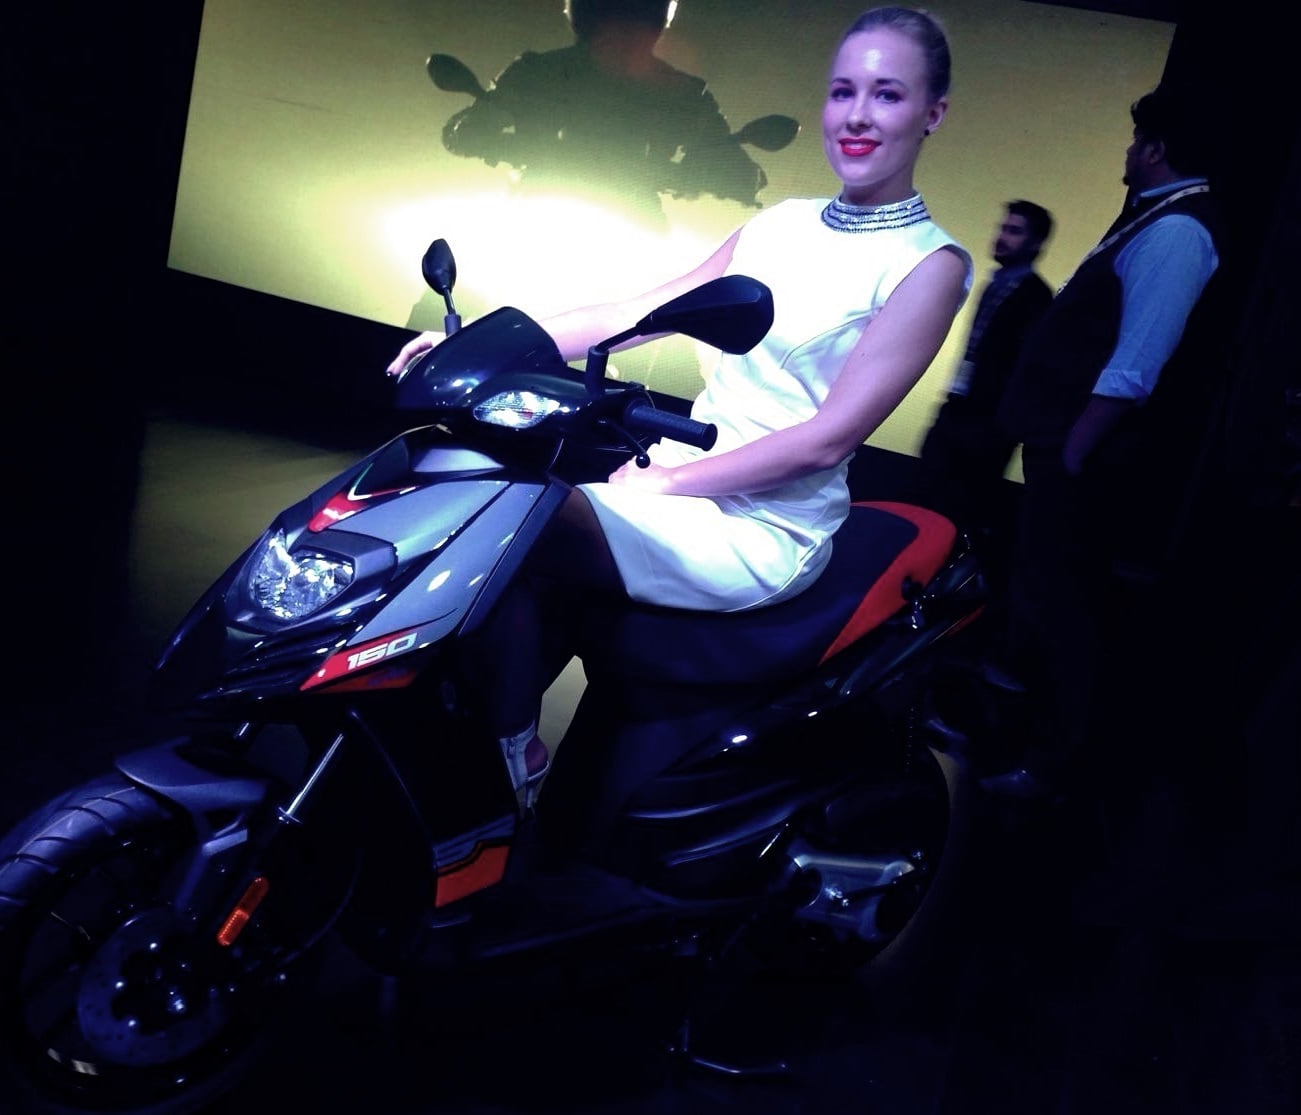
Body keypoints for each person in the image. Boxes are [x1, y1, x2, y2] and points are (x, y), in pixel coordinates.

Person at [388, 6, 972, 807]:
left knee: (517, 519)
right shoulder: (781, 224)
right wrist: (487, 344)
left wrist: (666, 483)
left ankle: (510, 760)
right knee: (484, 509)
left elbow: (824, 440)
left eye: (887, 95)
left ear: (931, 113)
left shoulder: (928, 265)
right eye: (842, 92)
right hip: (679, 478)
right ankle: (466, 765)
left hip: (762, 523)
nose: (857, 115)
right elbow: (636, 312)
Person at [980, 86, 1223, 806]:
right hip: (1062, 454)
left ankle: (1049, 766)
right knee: (1040, 598)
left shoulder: (1177, 231)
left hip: (1083, 464)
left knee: (1067, 615)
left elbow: (1134, 365)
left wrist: (1074, 452)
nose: (1128, 150)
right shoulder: (1153, 217)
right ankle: (1010, 741)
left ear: (1155, 148)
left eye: (1135, 139)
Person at [436, 0, 776, 225]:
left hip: (633, 218)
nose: (623, 26)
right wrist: (482, 135)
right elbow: (466, 128)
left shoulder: (684, 94)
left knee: (678, 308)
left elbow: (738, 167)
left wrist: (723, 174)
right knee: (453, 292)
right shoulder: (538, 72)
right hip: (539, 209)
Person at [914, 199, 1053, 575]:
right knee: (929, 495)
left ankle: (942, 583)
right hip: (962, 409)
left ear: (1036, 242)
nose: (1001, 237)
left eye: (1014, 231)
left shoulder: (1035, 297)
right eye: (1003, 228)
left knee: (960, 508)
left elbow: (1025, 368)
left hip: (987, 423)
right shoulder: (999, 284)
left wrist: (1003, 424)